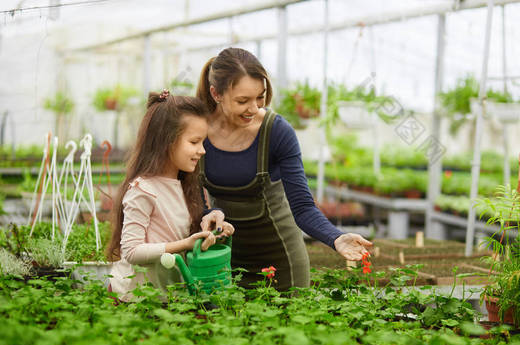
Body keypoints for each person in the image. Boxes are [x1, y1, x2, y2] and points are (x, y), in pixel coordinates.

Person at [195, 47, 372, 291]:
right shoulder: (196, 130)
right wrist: (208, 213)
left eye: (260, 97)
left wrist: (335, 237)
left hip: (280, 260)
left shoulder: (276, 131)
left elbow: (302, 206)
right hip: (223, 258)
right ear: (216, 94)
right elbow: (189, 194)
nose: (254, 108)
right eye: (242, 101)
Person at [107, 90, 234, 301]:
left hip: (169, 295)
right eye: (194, 142)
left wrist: (212, 233)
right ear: (166, 141)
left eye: (203, 142)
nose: (202, 150)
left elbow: (182, 234)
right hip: (136, 299)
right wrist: (184, 244)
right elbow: (131, 251)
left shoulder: (187, 185)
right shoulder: (143, 190)